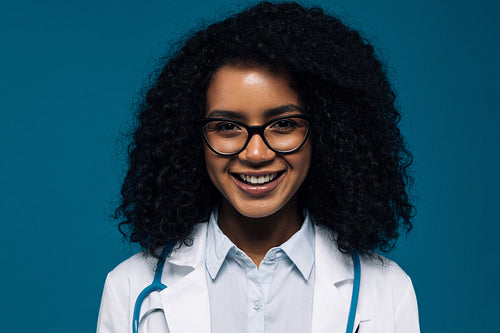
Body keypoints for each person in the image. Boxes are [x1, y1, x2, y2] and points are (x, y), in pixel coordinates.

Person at [97, 1, 419, 332]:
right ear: (190, 137)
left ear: (326, 133)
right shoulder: (130, 288)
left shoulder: (388, 291)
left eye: (283, 124)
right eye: (226, 127)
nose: (255, 153)